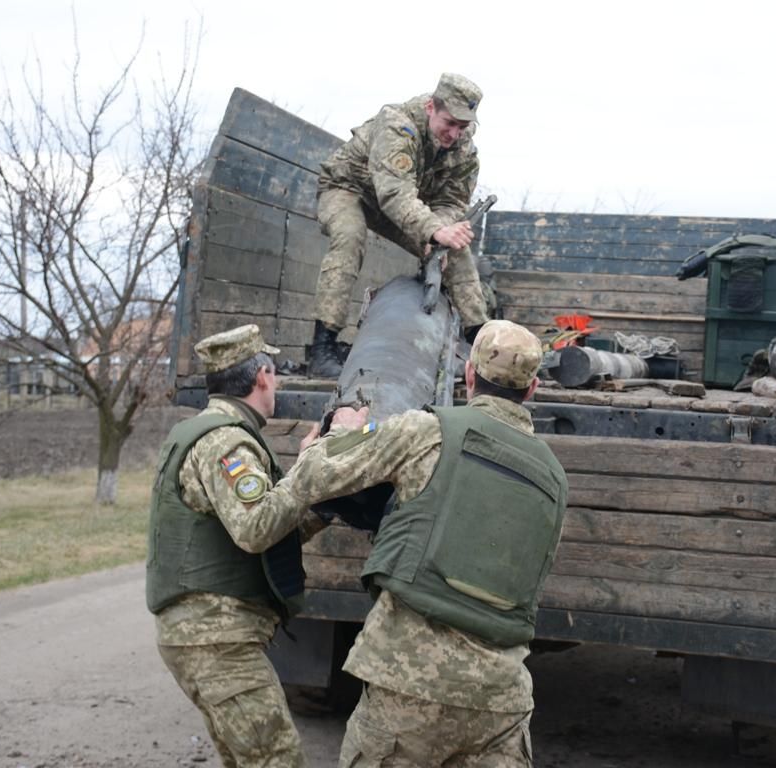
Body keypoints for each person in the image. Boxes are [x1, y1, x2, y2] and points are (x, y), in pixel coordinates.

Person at [269, 319, 569, 766]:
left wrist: (339, 431)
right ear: (533, 388)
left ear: (469, 374)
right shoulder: (554, 478)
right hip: (501, 702)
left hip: (406, 688)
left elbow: (315, 478)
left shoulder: (427, 431)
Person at [145, 324, 325, 768]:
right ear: (262, 375)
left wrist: (321, 502)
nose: (278, 383)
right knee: (277, 761)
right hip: (217, 640)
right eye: (276, 373)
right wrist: (309, 470)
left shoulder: (207, 430)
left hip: (206, 636)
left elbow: (267, 526)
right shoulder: (226, 441)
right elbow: (256, 528)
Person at [308, 72, 491, 378]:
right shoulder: (397, 124)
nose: (455, 134)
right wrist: (434, 229)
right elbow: (394, 193)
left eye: (463, 126)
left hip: (405, 207)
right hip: (350, 189)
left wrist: (444, 233)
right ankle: (323, 346)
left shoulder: (465, 150)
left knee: (456, 249)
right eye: (449, 123)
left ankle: (484, 345)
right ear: (431, 107)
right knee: (349, 237)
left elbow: (453, 202)